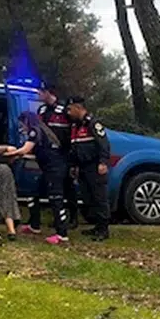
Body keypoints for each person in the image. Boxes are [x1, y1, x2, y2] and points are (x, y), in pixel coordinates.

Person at [23, 83, 77, 234]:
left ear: (48, 92)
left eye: (40, 92)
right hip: (46, 160)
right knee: (37, 192)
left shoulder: (64, 111)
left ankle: (69, 222)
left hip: (62, 158)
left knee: (65, 191)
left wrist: (73, 160)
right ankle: (35, 224)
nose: (38, 95)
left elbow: (72, 135)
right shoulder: (41, 111)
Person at [11, 111, 70, 245]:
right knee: (34, 194)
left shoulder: (34, 131)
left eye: (22, 124)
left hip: (54, 170)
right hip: (48, 169)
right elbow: (35, 153)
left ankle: (62, 234)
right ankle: (34, 225)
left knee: (56, 199)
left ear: (27, 121)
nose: (22, 128)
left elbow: (25, 149)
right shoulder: (43, 131)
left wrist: (11, 153)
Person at [66, 96, 111, 242]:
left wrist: (103, 162)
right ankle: (96, 226)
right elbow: (75, 148)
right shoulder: (75, 126)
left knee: (99, 198)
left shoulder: (93, 124)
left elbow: (104, 144)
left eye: (70, 109)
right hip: (82, 167)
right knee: (88, 198)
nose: (68, 112)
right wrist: (74, 165)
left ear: (78, 108)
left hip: (95, 166)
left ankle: (103, 229)